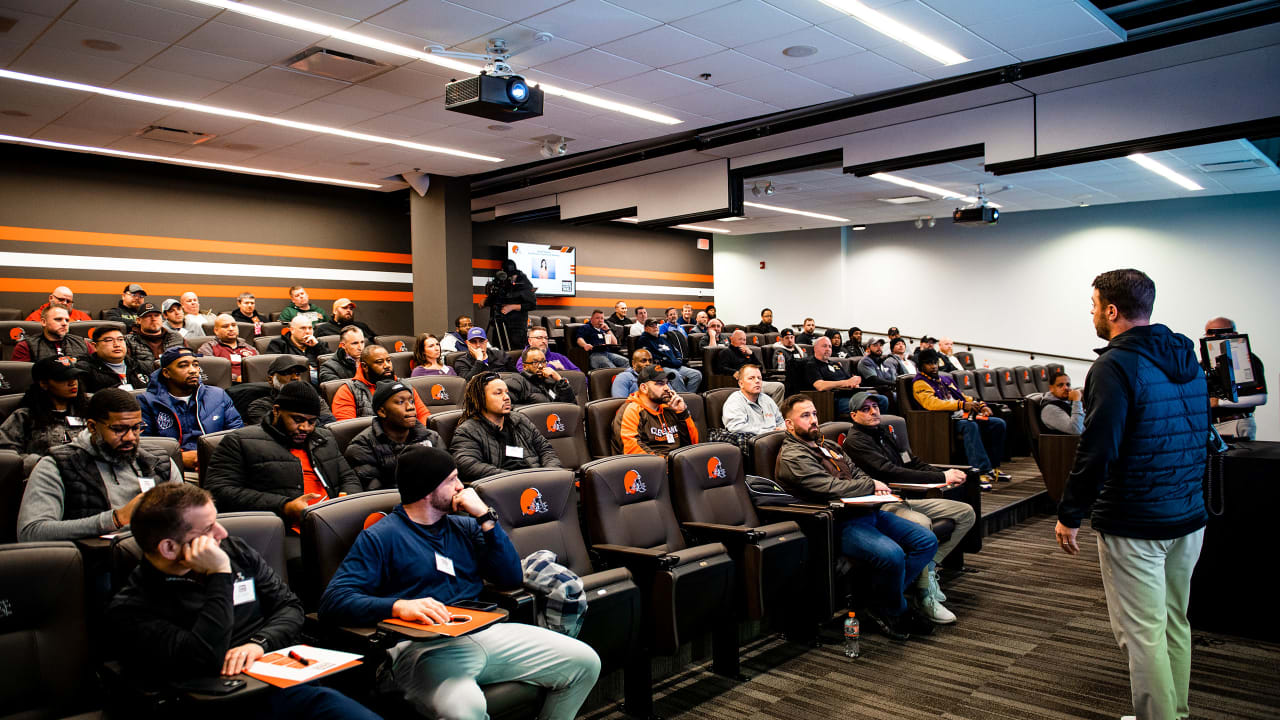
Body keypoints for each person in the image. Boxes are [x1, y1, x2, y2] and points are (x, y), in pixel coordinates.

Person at [318, 445, 600, 720]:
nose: (460, 487)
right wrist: (397, 606)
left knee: (585, 662)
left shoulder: (465, 526)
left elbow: (510, 576)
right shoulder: (381, 537)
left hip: (485, 630)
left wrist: (485, 517)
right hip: (423, 648)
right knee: (466, 711)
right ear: (427, 489)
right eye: (451, 480)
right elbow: (334, 601)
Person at [1056, 269, 1209, 720]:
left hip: (1136, 520)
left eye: (1093, 304)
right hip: (1188, 514)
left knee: (1142, 635)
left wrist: (1070, 513)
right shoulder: (1186, 356)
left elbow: (1098, 447)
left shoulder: (1113, 365)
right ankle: (1173, 714)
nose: (1090, 312)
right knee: (1173, 624)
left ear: (1112, 310)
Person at [106, 483, 382, 720]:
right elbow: (203, 657)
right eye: (208, 529)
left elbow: (289, 607)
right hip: (215, 704)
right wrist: (220, 577)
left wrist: (258, 643)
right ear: (168, 547)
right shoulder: (132, 608)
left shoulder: (234, 550)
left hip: (279, 683)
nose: (222, 534)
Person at [776, 394, 937, 640]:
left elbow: (859, 473)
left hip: (866, 511)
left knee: (926, 540)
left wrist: (867, 484)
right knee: (892, 554)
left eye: (815, 414)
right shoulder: (792, 456)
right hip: (837, 523)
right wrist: (869, 486)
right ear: (789, 424)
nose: (813, 420)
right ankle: (896, 609)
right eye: (805, 416)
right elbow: (829, 487)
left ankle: (878, 602)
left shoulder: (829, 445)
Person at [842, 391, 973, 625]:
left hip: (906, 497)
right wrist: (941, 475)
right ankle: (923, 593)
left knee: (965, 512)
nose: (874, 411)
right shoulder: (856, 441)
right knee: (923, 525)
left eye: (875, 406)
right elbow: (889, 472)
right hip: (882, 505)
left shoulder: (884, 432)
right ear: (854, 415)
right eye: (866, 408)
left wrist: (942, 475)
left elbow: (910, 461)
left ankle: (930, 566)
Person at [18, 388, 181, 541]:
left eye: (136, 428)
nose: (130, 437)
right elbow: (31, 532)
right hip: (96, 562)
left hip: (159, 556)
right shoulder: (57, 465)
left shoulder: (160, 461)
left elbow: (187, 515)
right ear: (93, 427)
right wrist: (115, 519)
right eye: (119, 429)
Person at [205, 381, 361, 536]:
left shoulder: (324, 438)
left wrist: (344, 499)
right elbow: (219, 490)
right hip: (281, 529)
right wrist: (283, 505)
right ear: (276, 410)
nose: (305, 428)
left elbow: (348, 477)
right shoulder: (239, 441)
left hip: (332, 522)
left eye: (312, 421)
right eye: (297, 420)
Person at [913, 349, 1009, 486]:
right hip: (945, 422)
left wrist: (981, 405)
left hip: (963, 416)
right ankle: (979, 471)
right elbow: (932, 404)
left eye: (935, 362)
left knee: (998, 423)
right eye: (929, 364)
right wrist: (962, 405)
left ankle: (993, 468)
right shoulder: (920, 383)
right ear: (921, 366)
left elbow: (963, 396)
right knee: (970, 426)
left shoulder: (945, 379)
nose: (933, 366)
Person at [139, 347, 243, 471]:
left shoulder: (218, 395)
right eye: (183, 366)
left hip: (218, 463)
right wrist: (179, 458)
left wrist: (215, 457)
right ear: (166, 373)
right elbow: (144, 446)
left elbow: (236, 434)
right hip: (172, 468)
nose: (193, 370)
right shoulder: (147, 402)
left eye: (195, 365)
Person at [451, 372, 561, 482]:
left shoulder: (520, 420)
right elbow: (467, 465)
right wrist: (515, 479)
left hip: (537, 482)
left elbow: (546, 450)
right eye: (498, 393)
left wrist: (550, 474)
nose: (506, 397)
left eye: (506, 392)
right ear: (481, 398)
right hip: (502, 487)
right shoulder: (468, 430)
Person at [345, 381, 443, 491]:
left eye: (411, 401)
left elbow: (448, 478)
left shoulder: (431, 437)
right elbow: (375, 494)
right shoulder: (361, 447)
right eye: (401, 402)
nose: (410, 407)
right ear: (382, 412)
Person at [0, 355, 91, 472]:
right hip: (43, 475)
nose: (72, 382)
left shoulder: (89, 410)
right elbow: (7, 455)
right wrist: (40, 463)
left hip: (87, 474)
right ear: (43, 383)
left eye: (75, 377)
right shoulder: (25, 416)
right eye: (63, 378)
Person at [1203, 316, 1266, 440]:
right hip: (1210, 426)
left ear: (1234, 333)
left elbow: (1261, 397)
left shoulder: (1249, 360)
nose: (1212, 337)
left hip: (1235, 423)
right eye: (1209, 333)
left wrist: (1218, 402)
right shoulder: (1205, 364)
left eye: (1217, 332)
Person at [612, 366, 698, 456]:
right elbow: (631, 450)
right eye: (660, 383)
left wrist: (682, 413)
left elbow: (693, 444)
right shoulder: (632, 410)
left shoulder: (670, 408)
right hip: (651, 467)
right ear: (644, 388)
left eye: (667, 383)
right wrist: (669, 464)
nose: (667, 388)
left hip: (679, 463)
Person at [332, 345, 430, 423]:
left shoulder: (405, 385)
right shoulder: (348, 390)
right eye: (379, 362)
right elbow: (347, 428)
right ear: (365, 366)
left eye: (388, 360)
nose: (387, 366)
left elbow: (423, 416)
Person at [244, 356, 336, 426]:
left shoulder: (314, 399)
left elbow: (329, 422)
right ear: (270, 380)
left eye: (297, 374)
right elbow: (270, 433)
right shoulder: (259, 407)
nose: (295, 377)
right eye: (287, 373)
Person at [637, 317, 702, 393]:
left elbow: (676, 351)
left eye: (656, 325)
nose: (655, 327)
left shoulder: (664, 338)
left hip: (675, 365)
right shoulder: (643, 340)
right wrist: (666, 360)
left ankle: (688, 396)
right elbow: (649, 356)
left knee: (697, 375)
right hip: (661, 367)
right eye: (652, 326)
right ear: (646, 329)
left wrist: (678, 359)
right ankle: (684, 400)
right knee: (675, 375)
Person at [78, 326, 152, 393]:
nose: (117, 344)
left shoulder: (141, 367)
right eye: (109, 340)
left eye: (120, 339)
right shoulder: (84, 370)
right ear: (95, 346)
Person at [484, 258, 536, 351]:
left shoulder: (523, 283)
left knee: (515, 351)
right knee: (498, 349)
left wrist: (512, 307)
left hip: (516, 326)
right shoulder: (501, 281)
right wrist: (486, 301)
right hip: (500, 323)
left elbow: (532, 305)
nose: (511, 278)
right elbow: (495, 297)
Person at [803, 336, 862, 416]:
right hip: (832, 399)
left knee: (881, 400)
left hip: (850, 395)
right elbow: (820, 385)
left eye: (830, 347)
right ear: (815, 348)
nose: (828, 349)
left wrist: (854, 383)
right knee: (864, 406)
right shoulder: (811, 365)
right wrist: (845, 382)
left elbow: (848, 380)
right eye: (824, 346)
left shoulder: (835, 364)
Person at [721, 364, 785, 436]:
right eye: (751, 378)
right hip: (753, 442)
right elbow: (736, 427)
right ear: (741, 384)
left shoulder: (767, 399)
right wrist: (769, 432)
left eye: (759, 378)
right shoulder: (735, 401)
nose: (757, 381)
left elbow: (780, 421)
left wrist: (785, 429)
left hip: (775, 438)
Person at [10, 304, 89, 362]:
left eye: (67, 320)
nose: (64, 323)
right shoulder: (25, 346)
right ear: (44, 322)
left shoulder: (83, 343)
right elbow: (23, 379)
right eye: (58, 319)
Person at [197, 313, 258, 383]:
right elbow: (211, 372)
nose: (231, 329)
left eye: (234, 325)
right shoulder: (208, 348)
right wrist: (236, 378)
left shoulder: (250, 348)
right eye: (225, 326)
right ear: (216, 331)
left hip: (252, 384)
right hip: (226, 385)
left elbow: (259, 370)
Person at [267, 316, 325, 384]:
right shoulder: (278, 344)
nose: (307, 332)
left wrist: (317, 346)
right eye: (303, 328)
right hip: (293, 380)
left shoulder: (318, 344)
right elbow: (276, 368)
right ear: (292, 330)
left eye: (310, 328)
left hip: (319, 380)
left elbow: (329, 363)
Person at [126, 303, 184, 369]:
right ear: (138, 320)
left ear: (161, 318)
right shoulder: (129, 340)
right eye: (148, 316)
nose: (153, 319)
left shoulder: (175, 336)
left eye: (156, 315)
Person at [507, 347, 574, 405]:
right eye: (535, 363)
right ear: (524, 366)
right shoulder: (517, 381)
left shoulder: (551, 380)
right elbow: (506, 407)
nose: (540, 366)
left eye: (543, 362)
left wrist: (559, 379)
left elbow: (571, 405)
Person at [856, 337, 898, 411]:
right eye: (875, 345)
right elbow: (873, 380)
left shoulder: (883, 362)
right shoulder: (865, 361)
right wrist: (894, 383)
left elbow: (891, 377)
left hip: (887, 389)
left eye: (881, 345)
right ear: (868, 348)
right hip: (872, 391)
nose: (879, 347)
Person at [25, 285, 92, 322]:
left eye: (68, 301)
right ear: (51, 298)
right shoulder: (35, 317)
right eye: (61, 299)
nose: (65, 303)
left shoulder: (83, 317)